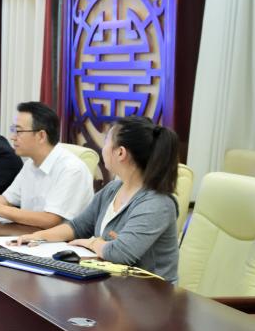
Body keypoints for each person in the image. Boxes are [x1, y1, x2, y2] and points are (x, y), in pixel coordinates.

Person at [14, 116, 181, 282]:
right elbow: (78, 226)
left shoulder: (157, 203)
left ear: (120, 153)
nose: (103, 148)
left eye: (106, 141)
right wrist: (39, 236)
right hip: (112, 283)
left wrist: (92, 243)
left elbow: (119, 253)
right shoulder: (113, 189)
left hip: (150, 292)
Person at [0, 102, 94, 229]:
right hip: (29, 236)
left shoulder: (72, 169)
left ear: (41, 136)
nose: (13, 137)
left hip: (62, 240)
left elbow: (51, 220)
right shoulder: (30, 163)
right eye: (14, 130)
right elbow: (8, 199)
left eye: (19, 131)